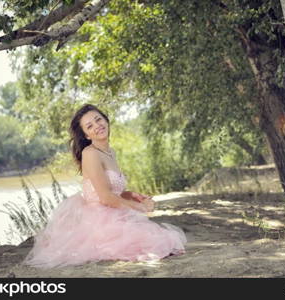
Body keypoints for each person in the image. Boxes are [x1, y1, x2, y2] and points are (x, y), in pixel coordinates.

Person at [23, 104, 186, 268]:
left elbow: (113, 191)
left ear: (105, 120)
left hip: (114, 212)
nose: (97, 126)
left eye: (98, 119)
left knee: (161, 238)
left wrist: (130, 195)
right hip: (98, 220)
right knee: (157, 242)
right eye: (90, 126)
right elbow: (105, 197)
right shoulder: (90, 153)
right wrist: (140, 206)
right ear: (86, 135)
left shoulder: (110, 152)